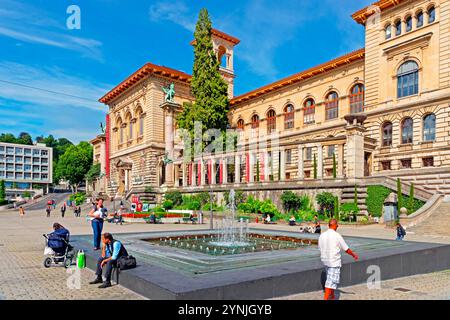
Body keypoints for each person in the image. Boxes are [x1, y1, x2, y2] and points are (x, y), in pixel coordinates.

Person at [318, 219, 358, 300]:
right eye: (337, 225)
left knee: (330, 279)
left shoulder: (322, 235)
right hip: (334, 262)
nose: (338, 226)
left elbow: (319, 248)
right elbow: (346, 249)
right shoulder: (337, 235)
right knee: (331, 282)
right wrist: (354, 255)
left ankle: (332, 297)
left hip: (325, 260)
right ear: (334, 225)